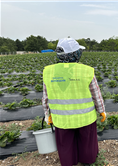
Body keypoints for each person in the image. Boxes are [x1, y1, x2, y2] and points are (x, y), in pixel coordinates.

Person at [42, 38, 106, 166]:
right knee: (87, 142)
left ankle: (69, 162)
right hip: (85, 118)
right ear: (75, 54)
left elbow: (45, 97)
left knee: (65, 143)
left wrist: (47, 114)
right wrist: (101, 110)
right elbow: (96, 94)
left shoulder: (48, 72)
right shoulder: (87, 70)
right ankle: (87, 161)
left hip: (61, 119)